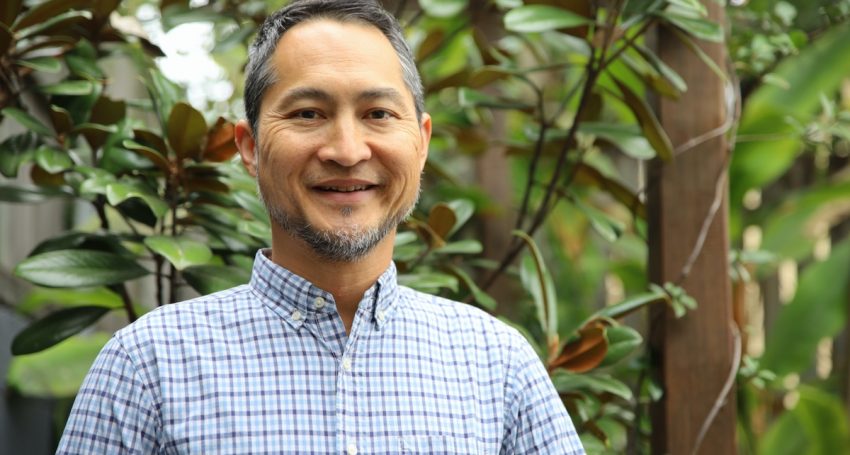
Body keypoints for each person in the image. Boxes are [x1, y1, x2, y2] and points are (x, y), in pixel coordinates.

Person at [56, 1, 585, 453]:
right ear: (250, 147)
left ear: (420, 143)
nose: (348, 151)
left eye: (378, 113)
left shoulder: (498, 365)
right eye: (308, 113)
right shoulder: (146, 366)